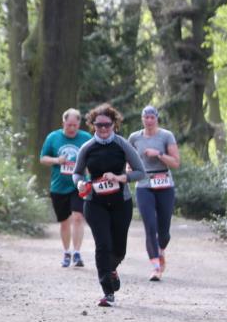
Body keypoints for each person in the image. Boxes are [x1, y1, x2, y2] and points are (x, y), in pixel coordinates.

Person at [72, 103, 146, 308]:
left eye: (107, 125)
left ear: (114, 124)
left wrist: (120, 177)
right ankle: (108, 292)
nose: (103, 129)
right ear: (93, 125)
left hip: (121, 202)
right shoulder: (87, 148)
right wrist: (79, 183)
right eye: (99, 125)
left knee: (119, 249)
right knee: (103, 245)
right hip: (94, 203)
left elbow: (141, 172)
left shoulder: (122, 145)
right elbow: (77, 172)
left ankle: (112, 268)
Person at [128, 105, 180, 282]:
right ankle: (156, 267)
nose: (149, 120)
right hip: (144, 184)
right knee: (150, 225)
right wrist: (128, 168)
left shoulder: (166, 136)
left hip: (164, 183)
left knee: (164, 230)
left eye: (152, 117)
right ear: (142, 119)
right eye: (146, 117)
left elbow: (175, 163)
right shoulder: (134, 138)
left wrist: (158, 154)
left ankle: (161, 249)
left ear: (157, 119)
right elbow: (128, 160)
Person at [39, 108, 93, 269]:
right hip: (58, 186)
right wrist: (57, 160)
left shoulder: (86, 138)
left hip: (79, 185)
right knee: (64, 222)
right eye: (69, 125)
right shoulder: (53, 137)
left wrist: (89, 177)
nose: (72, 128)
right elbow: (43, 158)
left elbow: (93, 160)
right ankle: (66, 252)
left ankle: (77, 252)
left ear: (79, 124)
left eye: (75, 125)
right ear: (63, 123)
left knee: (78, 217)